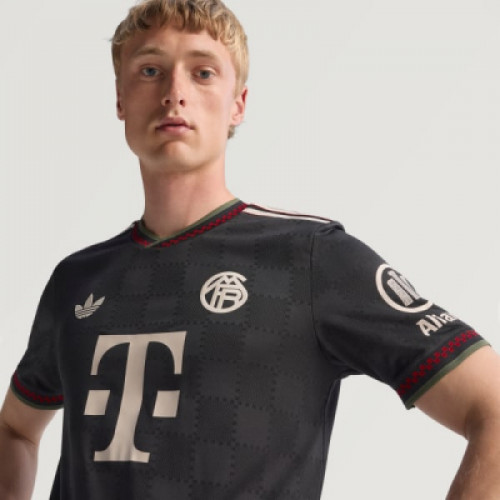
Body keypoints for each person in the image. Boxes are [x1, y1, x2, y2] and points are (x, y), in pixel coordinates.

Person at [1, 0, 500, 498]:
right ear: (120, 99)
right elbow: (15, 428)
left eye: (202, 73)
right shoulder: (78, 280)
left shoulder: (310, 259)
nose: (175, 93)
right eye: (150, 70)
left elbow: (492, 407)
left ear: (237, 104)